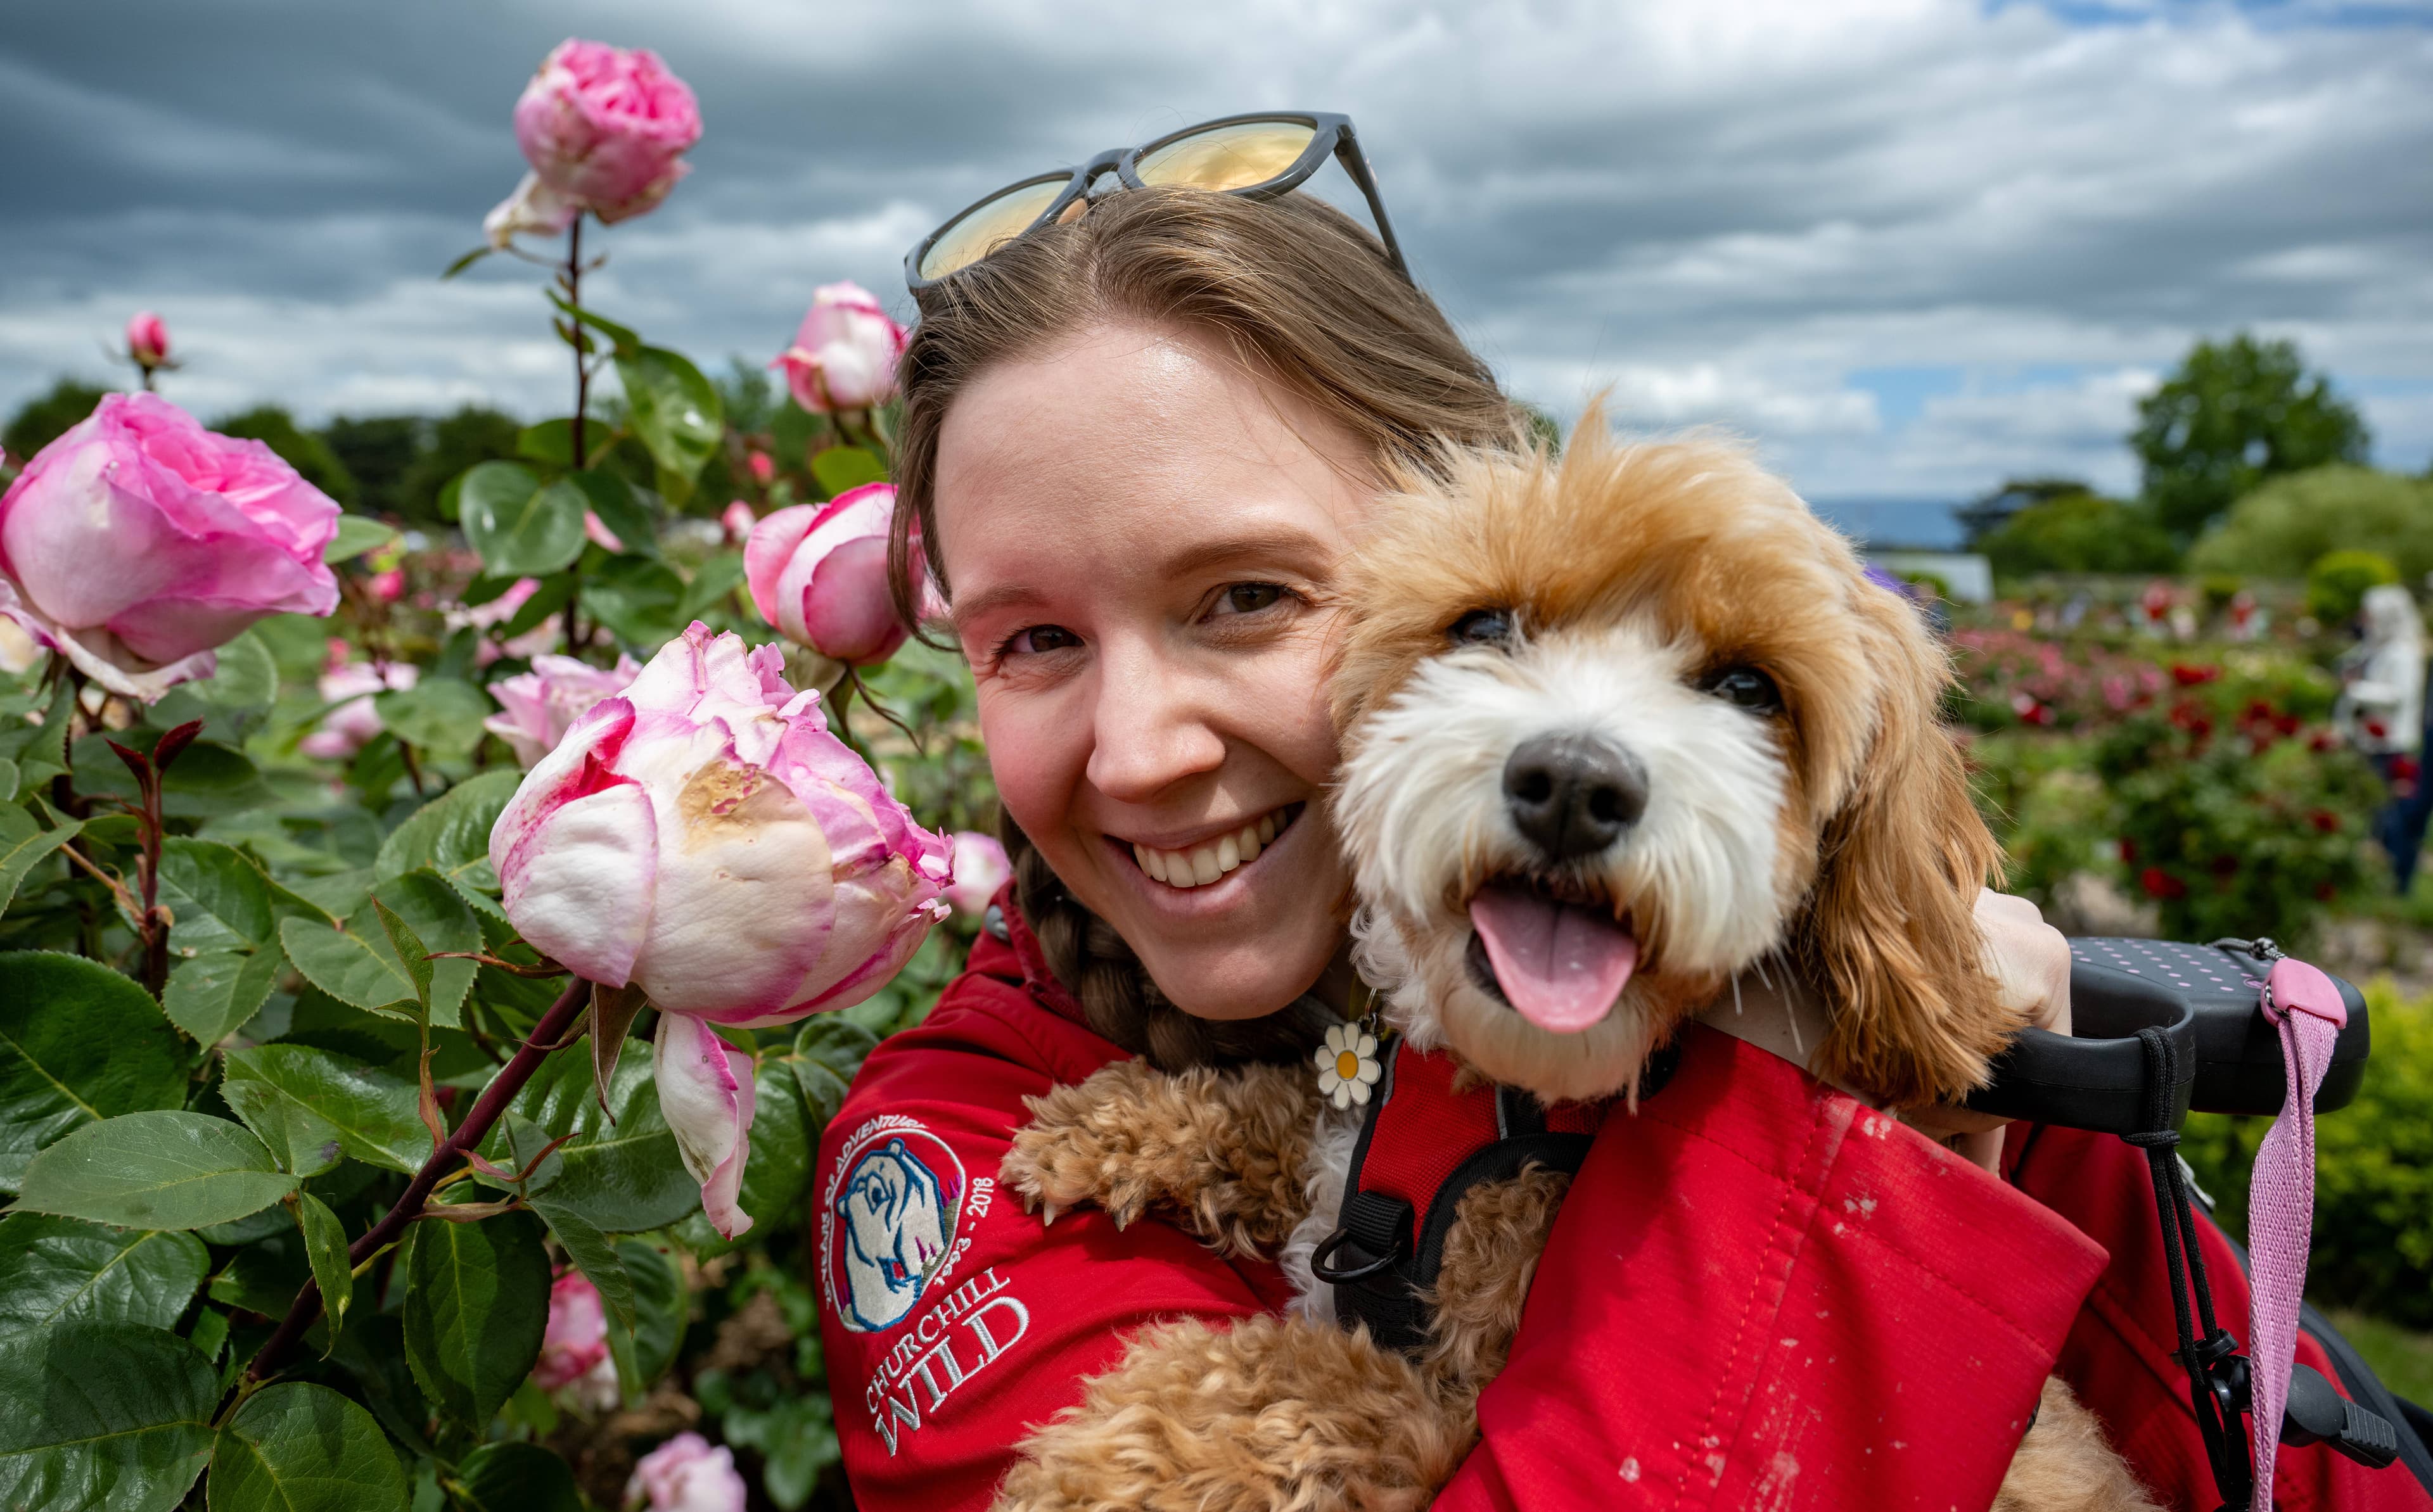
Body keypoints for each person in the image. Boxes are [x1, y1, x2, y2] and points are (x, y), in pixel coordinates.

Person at [814, 118, 2431, 1512]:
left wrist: (1931, 1100)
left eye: (1245, 596)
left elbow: (2259, 1445)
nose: (1139, 750)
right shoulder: (953, 1158)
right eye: (1030, 638)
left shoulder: (1945, 1023)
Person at [2337, 583, 2430, 891]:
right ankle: (2377, 879)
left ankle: (2396, 882)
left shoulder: (2404, 652)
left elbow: (2400, 694)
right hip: (2373, 740)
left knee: (2392, 817)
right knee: (2374, 814)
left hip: (2391, 744)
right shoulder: (2381, 647)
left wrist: (2357, 690)